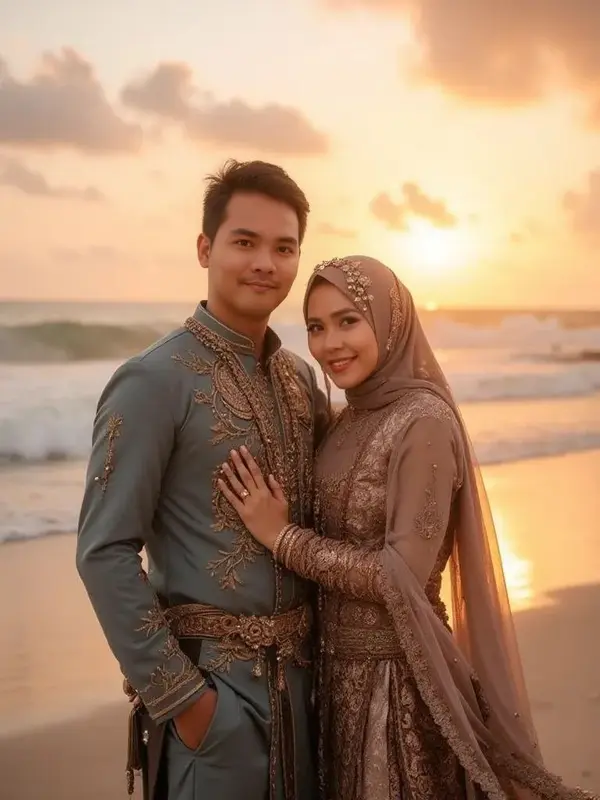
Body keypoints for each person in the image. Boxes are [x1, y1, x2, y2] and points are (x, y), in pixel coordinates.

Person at [218, 255, 597, 800]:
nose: (330, 344)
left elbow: (401, 574)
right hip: (332, 679)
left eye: (349, 320)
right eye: (316, 328)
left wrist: (282, 539)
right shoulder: (347, 418)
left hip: (399, 685)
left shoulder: (424, 422)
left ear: (390, 321)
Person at [75, 159, 330, 800]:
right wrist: (185, 703)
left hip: (307, 700)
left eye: (284, 247)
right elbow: (103, 551)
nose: (265, 263)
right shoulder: (154, 380)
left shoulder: (301, 381)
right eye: (245, 242)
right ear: (205, 248)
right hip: (213, 701)